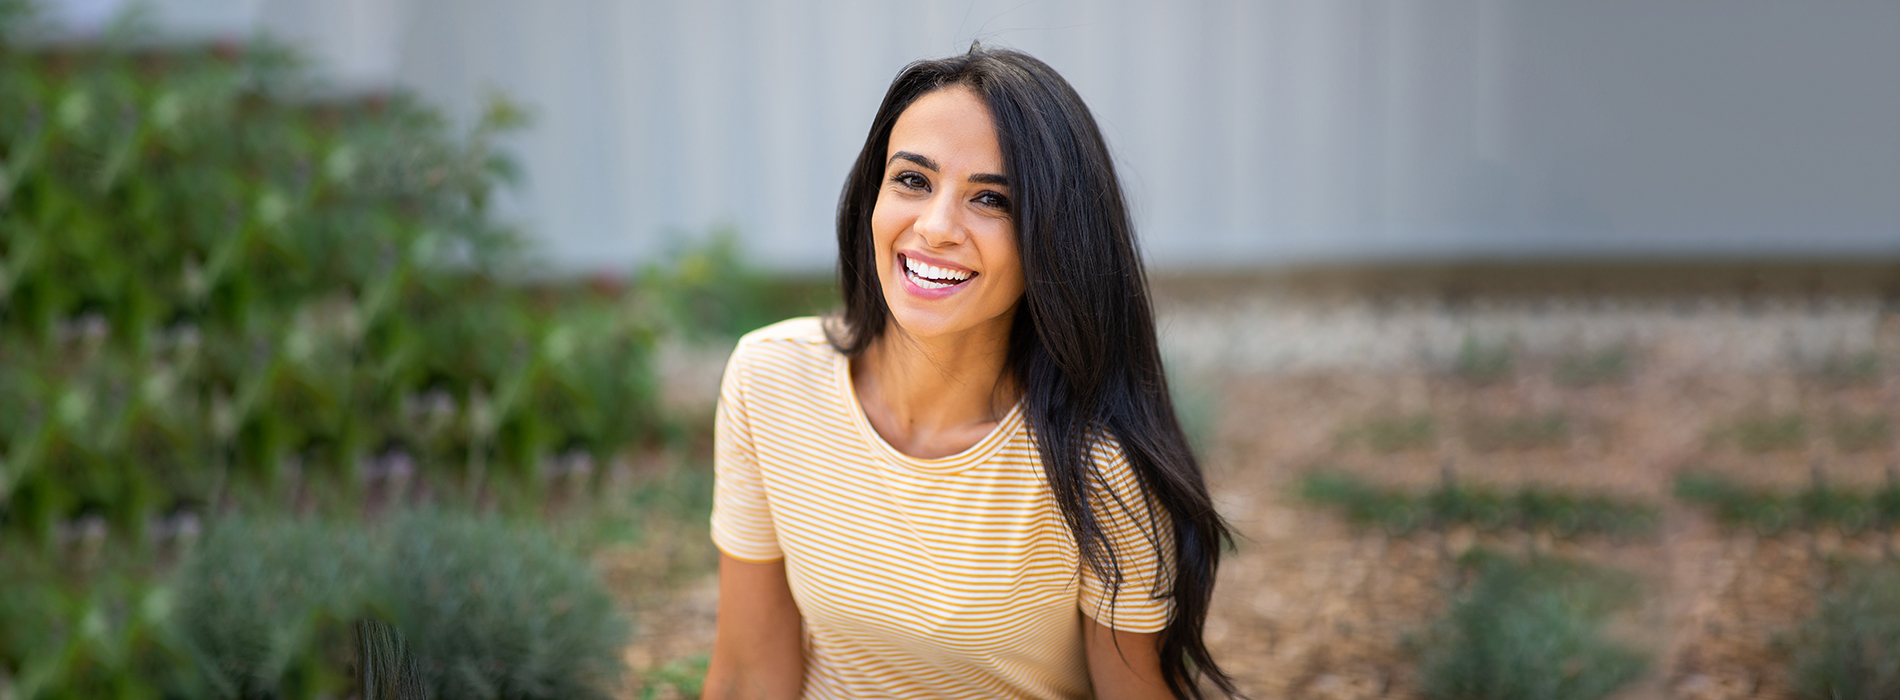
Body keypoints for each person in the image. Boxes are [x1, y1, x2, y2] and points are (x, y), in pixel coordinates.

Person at [702, 46, 1237, 700]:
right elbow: (750, 672)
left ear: (1055, 238)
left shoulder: (1097, 461)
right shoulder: (771, 379)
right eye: (912, 180)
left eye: (990, 198)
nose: (935, 227)